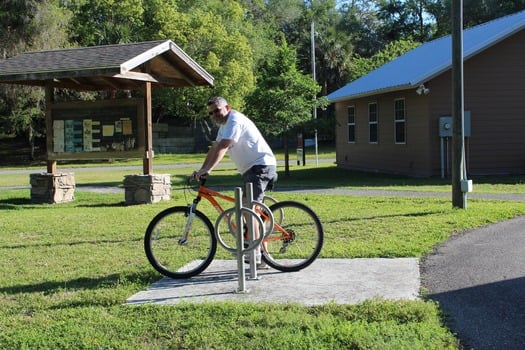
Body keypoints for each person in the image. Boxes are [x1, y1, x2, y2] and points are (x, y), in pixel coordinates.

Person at [193, 96, 277, 266]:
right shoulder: (223, 127)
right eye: (211, 113)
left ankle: (254, 252)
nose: (214, 115)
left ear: (227, 107)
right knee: (251, 209)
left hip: (260, 166)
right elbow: (215, 147)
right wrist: (202, 169)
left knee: (247, 206)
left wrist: (208, 169)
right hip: (251, 169)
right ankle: (263, 255)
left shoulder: (234, 120)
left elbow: (224, 146)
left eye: (217, 110)